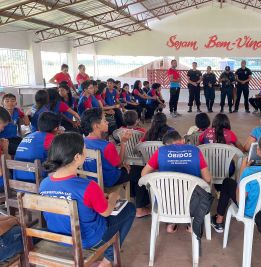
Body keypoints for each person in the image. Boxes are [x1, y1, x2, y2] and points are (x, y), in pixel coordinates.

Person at [40, 132, 135, 267]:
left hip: (58, 237)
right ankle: (107, 261)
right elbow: (106, 212)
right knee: (129, 209)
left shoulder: (44, 184)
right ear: (78, 157)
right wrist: (113, 197)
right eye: (85, 149)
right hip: (88, 240)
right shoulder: (88, 186)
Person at [211, 133, 261, 233]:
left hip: (250, 212)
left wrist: (242, 171)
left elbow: (239, 199)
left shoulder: (249, 172)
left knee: (227, 182)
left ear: (258, 151)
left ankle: (218, 221)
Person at [141, 131, 212, 233]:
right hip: (192, 203)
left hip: (166, 202)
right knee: (202, 187)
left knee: (169, 192)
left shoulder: (161, 151)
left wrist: (159, 173)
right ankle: (191, 223)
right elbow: (207, 179)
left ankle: (171, 223)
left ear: (166, 145)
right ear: (183, 140)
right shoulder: (195, 150)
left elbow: (144, 174)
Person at [14, 112, 60, 182]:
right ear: (56, 128)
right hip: (36, 182)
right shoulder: (50, 138)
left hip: (18, 181)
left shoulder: (28, 136)